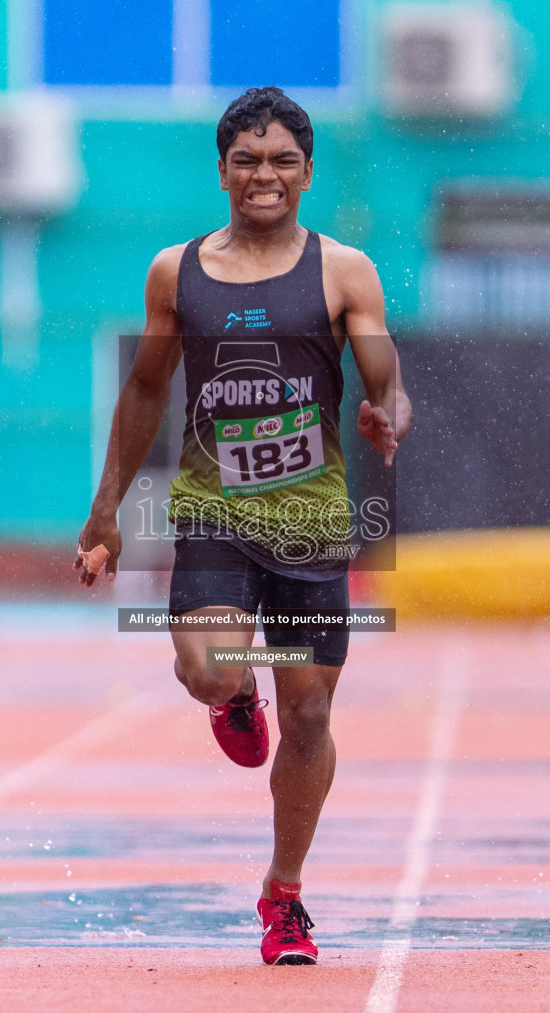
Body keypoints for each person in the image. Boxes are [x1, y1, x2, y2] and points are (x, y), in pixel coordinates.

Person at [76, 86, 410, 966]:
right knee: (206, 667)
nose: (265, 176)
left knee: (309, 719)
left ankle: (284, 895)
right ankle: (233, 698)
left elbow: (385, 372)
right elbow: (146, 388)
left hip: (310, 521)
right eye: (248, 160)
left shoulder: (345, 271)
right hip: (214, 511)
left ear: (307, 172)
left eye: (283, 161)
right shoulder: (175, 272)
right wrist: (105, 509)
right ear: (222, 171)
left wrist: (389, 410)